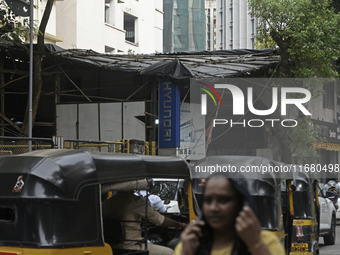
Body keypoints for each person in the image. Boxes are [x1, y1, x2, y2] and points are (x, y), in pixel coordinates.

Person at [174, 174, 285, 255]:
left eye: (223, 200)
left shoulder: (266, 241)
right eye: (208, 200)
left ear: (240, 205)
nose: (214, 208)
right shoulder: (190, 243)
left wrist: (255, 244)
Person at [102, 190, 186, 255]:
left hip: (111, 245)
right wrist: (179, 224)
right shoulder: (136, 201)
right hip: (131, 246)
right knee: (170, 252)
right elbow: (159, 219)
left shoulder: (109, 202)